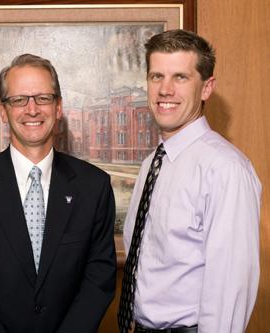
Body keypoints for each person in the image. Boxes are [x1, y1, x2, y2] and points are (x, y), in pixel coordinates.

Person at [0, 54, 116, 333]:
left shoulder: (94, 186)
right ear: (2, 111)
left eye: (43, 98)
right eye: (19, 100)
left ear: (58, 107)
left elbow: (99, 278)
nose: (32, 109)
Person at [117, 29, 262, 333]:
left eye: (180, 77)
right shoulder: (151, 164)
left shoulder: (225, 169)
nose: (165, 90)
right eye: (157, 76)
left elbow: (229, 287)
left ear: (207, 88)